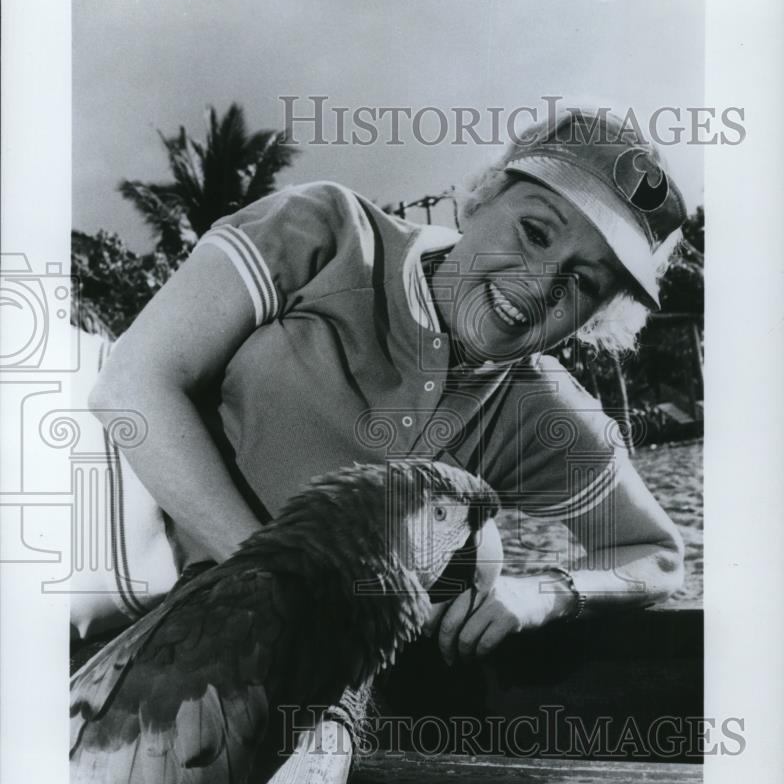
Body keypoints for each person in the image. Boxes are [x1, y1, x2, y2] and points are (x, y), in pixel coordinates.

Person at [80, 107, 687, 665]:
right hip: (134, 635)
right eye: (534, 230)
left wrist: (548, 593)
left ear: (600, 314)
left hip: (313, 690)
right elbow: (131, 385)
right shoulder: (326, 232)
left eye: (584, 281)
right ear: (484, 194)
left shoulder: (543, 409)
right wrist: (272, 588)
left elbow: (655, 555)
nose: (540, 283)